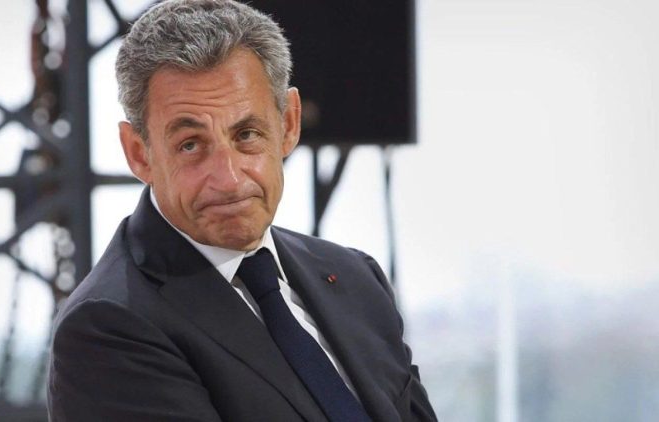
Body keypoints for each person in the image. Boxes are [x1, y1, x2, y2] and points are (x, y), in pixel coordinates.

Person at [47, 1, 436, 421]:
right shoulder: (108, 327)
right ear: (139, 154)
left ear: (288, 124)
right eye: (191, 145)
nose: (229, 178)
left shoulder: (357, 278)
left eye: (247, 134)